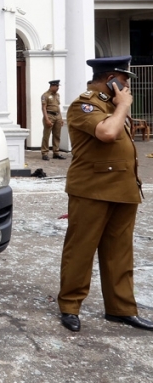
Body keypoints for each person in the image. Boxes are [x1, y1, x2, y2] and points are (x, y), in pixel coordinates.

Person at [57, 56, 153, 332]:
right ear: (110, 79)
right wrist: (122, 106)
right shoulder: (84, 105)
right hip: (92, 190)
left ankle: (121, 308)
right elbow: (107, 133)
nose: (126, 88)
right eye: (123, 82)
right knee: (81, 251)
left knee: (120, 253)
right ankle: (70, 305)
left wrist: (118, 106)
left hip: (123, 189)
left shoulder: (111, 105)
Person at [41, 79, 65, 160]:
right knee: (46, 135)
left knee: (57, 135)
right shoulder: (45, 95)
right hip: (49, 115)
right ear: (52, 86)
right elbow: (43, 108)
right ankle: (44, 153)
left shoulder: (57, 95)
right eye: (56, 86)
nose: (58, 88)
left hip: (57, 116)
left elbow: (58, 107)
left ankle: (56, 152)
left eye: (58, 86)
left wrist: (61, 118)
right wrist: (46, 119)